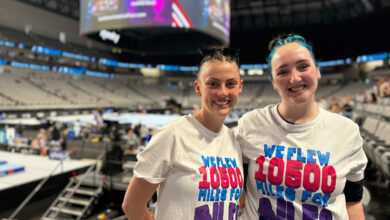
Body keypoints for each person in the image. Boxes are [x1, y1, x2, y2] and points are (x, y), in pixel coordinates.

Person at [237, 34, 367, 220]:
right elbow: (237, 193)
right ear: (273, 82)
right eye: (282, 72)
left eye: (303, 66)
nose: (295, 78)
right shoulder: (250, 125)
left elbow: (353, 202)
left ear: (317, 71)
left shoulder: (347, 132)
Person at [122, 48, 244, 219]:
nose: (223, 92)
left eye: (230, 83)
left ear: (240, 87)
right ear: (198, 88)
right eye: (213, 84)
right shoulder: (172, 136)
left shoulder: (234, 140)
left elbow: (237, 201)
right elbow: (132, 205)